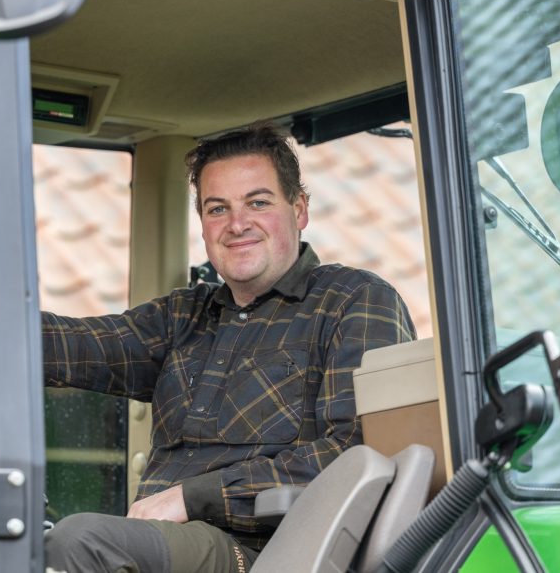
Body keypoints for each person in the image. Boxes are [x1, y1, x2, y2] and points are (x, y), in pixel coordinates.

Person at [42, 123, 416, 573]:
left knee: (82, 540)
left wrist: (195, 496)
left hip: (268, 552)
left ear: (299, 209)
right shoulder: (182, 317)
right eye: (218, 209)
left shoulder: (353, 301)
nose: (237, 224)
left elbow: (358, 453)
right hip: (166, 545)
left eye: (257, 202)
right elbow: (73, 346)